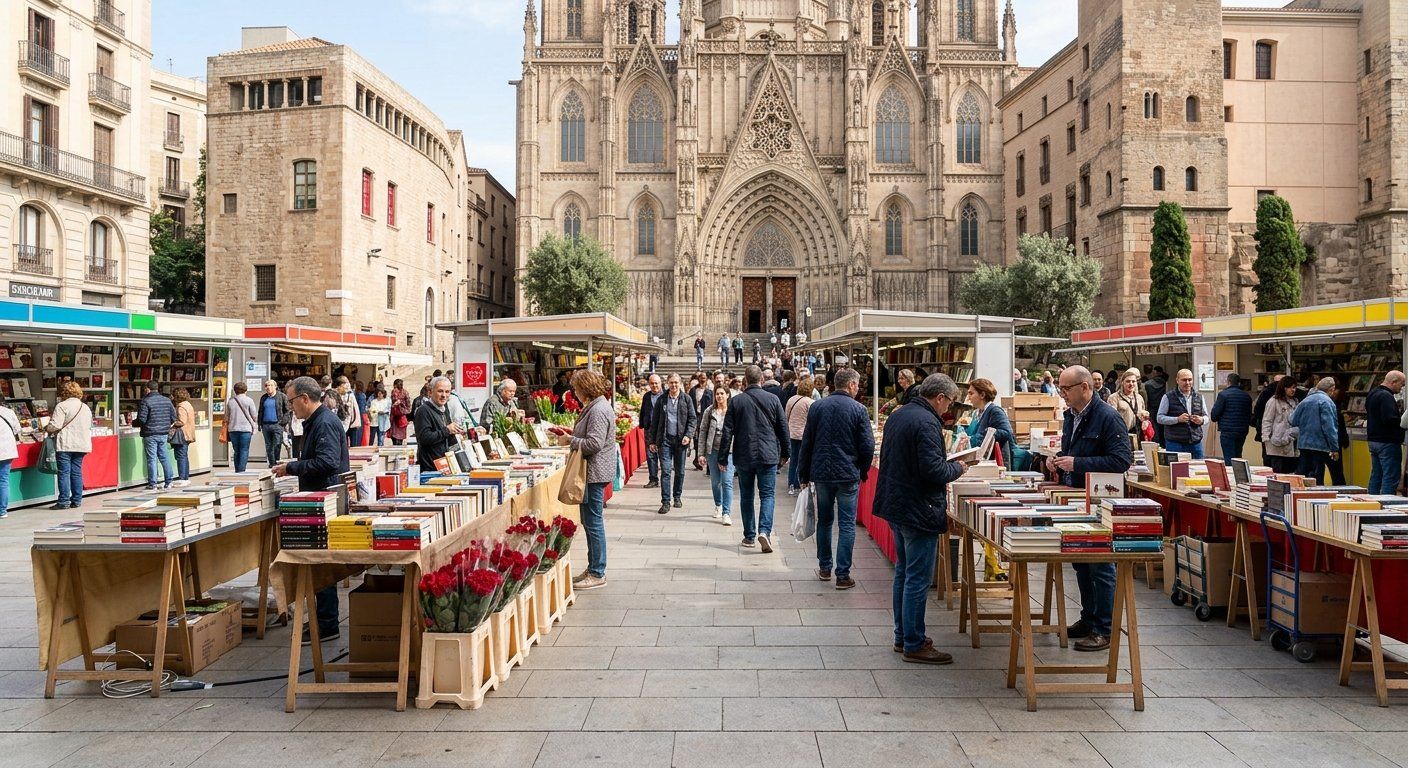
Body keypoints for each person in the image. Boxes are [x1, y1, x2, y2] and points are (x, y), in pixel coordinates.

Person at [873, 373, 969, 664]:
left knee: (904, 573)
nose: (948, 409)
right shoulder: (927, 422)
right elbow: (933, 470)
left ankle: (903, 636)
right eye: (949, 403)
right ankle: (914, 642)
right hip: (918, 507)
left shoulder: (900, 416)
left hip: (897, 504)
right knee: (917, 577)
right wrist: (959, 468)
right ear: (939, 397)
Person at [1052, 366, 1133, 653]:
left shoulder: (1108, 417)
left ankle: (1104, 628)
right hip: (1075, 497)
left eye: (1066, 389)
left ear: (1085, 387)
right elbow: (1072, 451)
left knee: (1100, 564)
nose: (1062, 394)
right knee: (1081, 561)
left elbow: (1121, 460)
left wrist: (1077, 464)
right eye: (1061, 388)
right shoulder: (1070, 416)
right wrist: (1058, 460)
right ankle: (1088, 619)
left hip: (1099, 500)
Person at [275, 376, 350, 643]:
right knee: (319, 561)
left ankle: (327, 622)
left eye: (292, 401)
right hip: (321, 498)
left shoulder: (324, 422)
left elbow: (327, 462)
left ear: (305, 399)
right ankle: (325, 620)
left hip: (325, 500)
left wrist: (292, 467)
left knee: (321, 563)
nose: (290, 407)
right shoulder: (319, 421)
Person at [797, 368, 874, 590]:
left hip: (822, 474)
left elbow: (807, 442)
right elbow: (867, 445)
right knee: (847, 524)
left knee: (825, 521)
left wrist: (803, 473)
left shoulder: (817, 407)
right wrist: (863, 469)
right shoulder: (858, 409)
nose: (858, 388)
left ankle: (824, 567)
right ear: (850, 385)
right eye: (857, 385)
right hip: (848, 474)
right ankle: (842, 574)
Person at [719, 365, 789, 553]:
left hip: (744, 454)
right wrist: (786, 453)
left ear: (745, 381)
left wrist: (723, 457)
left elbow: (727, 431)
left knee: (747, 495)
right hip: (768, 455)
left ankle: (749, 535)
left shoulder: (736, 401)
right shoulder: (773, 399)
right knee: (767, 494)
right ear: (762, 380)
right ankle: (764, 530)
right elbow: (783, 428)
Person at [564, 369, 618, 590]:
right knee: (589, 521)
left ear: (585, 388)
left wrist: (571, 440)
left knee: (593, 522)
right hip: (594, 472)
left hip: (594, 473)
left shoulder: (598, 409)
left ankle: (597, 572)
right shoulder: (597, 406)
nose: (574, 392)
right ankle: (593, 567)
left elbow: (593, 443)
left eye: (576, 388)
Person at [649, 374, 697, 514]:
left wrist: (688, 435)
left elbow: (692, 419)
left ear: (680, 383)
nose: (674, 385)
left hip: (681, 441)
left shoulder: (686, 399)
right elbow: (655, 421)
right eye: (671, 383)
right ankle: (665, 501)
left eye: (676, 382)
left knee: (680, 471)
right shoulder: (662, 399)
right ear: (667, 383)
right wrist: (652, 441)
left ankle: (677, 496)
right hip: (665, 440)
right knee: (666, 470)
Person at [47, 381, 93, 510]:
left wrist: (47, 428)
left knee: (64, 473)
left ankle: (63, 501)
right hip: (82, 444)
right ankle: (77, 500)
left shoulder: (62, 406)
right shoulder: (85, 407)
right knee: (76, 471)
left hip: (66, 444)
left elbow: (55, 425)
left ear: (64, 393)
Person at [698, 385, 735, 525]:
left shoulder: (732, 411)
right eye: (717, 394)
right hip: (712, 450)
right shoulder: (710, 411)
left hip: (729, 450)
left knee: (727, 481)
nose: (719, 396)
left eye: (722, 393)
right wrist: (701, 453)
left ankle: (726, 512)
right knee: (715, 482)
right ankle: (718, 505)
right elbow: (702, 431)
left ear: (727, 395)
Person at [1291, 376, 1339, 484]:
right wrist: (1334, 448)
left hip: (1303, 444)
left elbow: (1292, 419)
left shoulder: (1305, 400)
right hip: (1319, 445)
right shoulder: (1327, 402)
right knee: (1317, 478)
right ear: (1331, 389)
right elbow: (1329, 427)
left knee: (1302, 477)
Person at [415, 376, 467, 474]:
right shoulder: (423, 411)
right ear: (430, 392)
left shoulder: (444, 409)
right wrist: (447, 430)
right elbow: (423, 438)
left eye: (447, 392)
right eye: (440, 391)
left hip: (444, 466)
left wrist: (458, 433)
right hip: (430, 468)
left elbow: (447, 438)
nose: (444, 395)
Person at [1366, 371, 1406, 494]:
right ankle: (1387, 504)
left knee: (1376, 475)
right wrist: (1402, 423)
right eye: (1401, 384)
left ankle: (1372, 502)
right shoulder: (1386, 396)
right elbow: (1390, 419)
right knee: (1390, 476)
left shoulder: (1373, 393)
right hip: (1387, 441)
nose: (1402, 388)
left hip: (1374, 440)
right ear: (1393, 382)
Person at [1156, 369, 1207, 459]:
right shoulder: (1168, 397)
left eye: (1190, 379)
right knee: (1176, 471)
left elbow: (1206, 416)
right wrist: (1177, 419)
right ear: (1177, 380)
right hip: (1175, 443)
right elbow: (1159, 418)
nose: (1187, 382)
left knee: (1198, 467)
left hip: (1195, 442)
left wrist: (1201, 420)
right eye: (1184, 380)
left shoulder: (1199, 397)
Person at [136, 380, 177, 489]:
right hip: (163, 433)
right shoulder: (167, 401)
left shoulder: (146, 401)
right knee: (164, 457)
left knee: (152, 458)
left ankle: (153, 484)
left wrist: (133, 423)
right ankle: (169, 481)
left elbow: (141, 419)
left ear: (147, 389)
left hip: (150, 434)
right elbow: (174, 417)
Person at [1261, 376, 1301, 474]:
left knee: (1290, 473)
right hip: (1276, 443)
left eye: (1295, 387)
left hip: (1291, 442)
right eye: (1291, 387)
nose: (1293, 390)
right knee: (1278, 473)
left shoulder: (1295, 401)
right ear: (1284, 388)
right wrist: (1266, 438)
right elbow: (1267, 421)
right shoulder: (1273, 401)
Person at [1210, 373, 1253, 461]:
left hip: (1227, 431)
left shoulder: (1223, 395)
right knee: (1238, 456)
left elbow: (1214, 415)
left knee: (1229, 457)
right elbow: (1249, 415)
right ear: (1239, 383)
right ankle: (1238, 473)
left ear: (1228, 382)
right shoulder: (1246, 396)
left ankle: (1230, 474)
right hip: (1242, 431)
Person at [784, 376, 815, 495]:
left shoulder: (791, 399)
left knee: (793, 460)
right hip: (803, 435)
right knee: (803, 460)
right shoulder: (810, 402)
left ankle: (791, 483)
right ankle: (799, 483)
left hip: (791, 434)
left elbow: (786, 416)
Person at [224, 381, 259, 473]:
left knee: (236, 450)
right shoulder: (249, 400)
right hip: (245, 429)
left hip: (233, 429)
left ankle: (237, 469)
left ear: (235, 391)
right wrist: (254, 422)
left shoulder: (230, 402)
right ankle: (242, 470)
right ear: (245, 390)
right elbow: (254, 415)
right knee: (244, 450)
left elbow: (226, 417)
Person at [1108, 370, 1149, 439]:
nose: (1131, 384)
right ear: (1122, 382)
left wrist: (1145, 417)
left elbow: (1142, 414)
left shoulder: (1139, 398)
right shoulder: (1113, 398)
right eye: (1128, 381)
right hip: (1120, 436)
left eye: (1133, 381)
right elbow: (1111, 419)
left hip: (1138, 435)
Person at [258, 379, 290, 467]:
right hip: (266, 425)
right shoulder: (264, 398)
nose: (268, 387)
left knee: (277, 445)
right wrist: (259, 423)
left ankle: (277, 462)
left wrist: (283, 422)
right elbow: (260, 411)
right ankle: (272, 463)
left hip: (277, 424)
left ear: (275, 387)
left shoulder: (282, 396)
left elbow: (287, 411)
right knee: (268, 446)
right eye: (267, 386)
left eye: (271, 385)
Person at [640, 374, 663, 489]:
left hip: (662, 430)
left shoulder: (666, 396)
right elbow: (643, 410)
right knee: (650, 455)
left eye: (656, 383)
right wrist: (643, 424)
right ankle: (653, 479)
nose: (654, 386)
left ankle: (665, 478)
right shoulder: (647, 396)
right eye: (652, 383)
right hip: (649, 429)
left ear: (660, 383)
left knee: (663, 455)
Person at [172, 388, 197, 485]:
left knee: (180, 456)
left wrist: (173, 424)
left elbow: (182, 421)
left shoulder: (181, 407)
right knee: (184, 456)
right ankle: (185, 477)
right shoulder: (188, 404)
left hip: (182, 434)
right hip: (188, 433)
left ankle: (182, 477)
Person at [0, 395, 19, 518]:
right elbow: (17, 429)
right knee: (3, 480)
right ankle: (2, 510)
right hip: (7, 450)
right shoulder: (9, 412)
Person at [1251, 373, 1283, 445]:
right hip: (1276, 431)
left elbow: (1256, 410)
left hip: (1266, 429)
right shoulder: (1268, 394)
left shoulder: (1265, 393)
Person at [337, 376, 362, 447]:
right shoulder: (337, 394)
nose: (348, 384)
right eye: (346, 383)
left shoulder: (350, 394)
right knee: (343, 445)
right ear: (340, 385)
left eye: (348, 382)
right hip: (343, 423)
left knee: (353, 445)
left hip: (352, 422)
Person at [389, 379, 411, 446]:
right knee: (400, 436)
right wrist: (405, 412)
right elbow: (409, 405)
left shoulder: (394, 391)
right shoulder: (405, 392)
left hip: (395, 416)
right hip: (402, 416)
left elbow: (392, 403)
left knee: (394, 435)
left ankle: (396, 449)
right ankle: (399, 448)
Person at [349, 379, 368, 447]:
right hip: (358, 417)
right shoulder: (360, 394)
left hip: (358, 417)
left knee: (357, 436)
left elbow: (361, 409)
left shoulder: (359, 395)